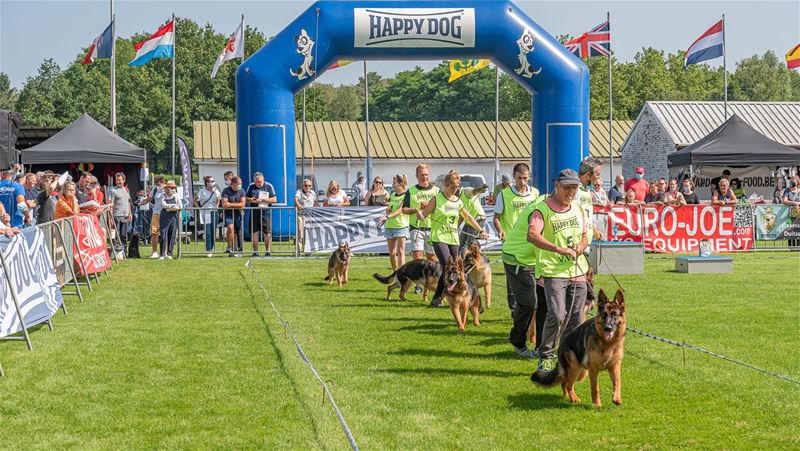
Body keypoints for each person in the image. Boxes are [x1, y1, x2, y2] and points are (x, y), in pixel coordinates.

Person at [527, 169, 589, 372]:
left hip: (577, 269)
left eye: (574, 188)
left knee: (577, 317)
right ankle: (545, 355)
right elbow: (532, 235)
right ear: (557, 185)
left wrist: (581, 245)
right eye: (567, 187)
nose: (571, 192)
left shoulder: (578, 208)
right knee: (557, 313)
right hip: (553, 269)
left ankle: (568, 355)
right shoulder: (541, 209)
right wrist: (557, 248)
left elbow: (584, 235)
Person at [415, 170, 488, 307]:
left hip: (453, 239)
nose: (455, 189)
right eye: (452, 187)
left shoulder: (458, 202)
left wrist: (481, 230)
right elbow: (424, 215)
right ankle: (445, 297)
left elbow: (468, 217)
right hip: (439, 237)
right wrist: (420, 214)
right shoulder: (437, 198)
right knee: (448, 268)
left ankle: (438, 299)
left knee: (454, 270)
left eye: (457, 187)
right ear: (446, 185)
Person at [502, 192, 548, 359]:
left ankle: (541, 348)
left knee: (546, 303)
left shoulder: (564, 205)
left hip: (535, 260)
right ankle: (517, 341)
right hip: (517, 258)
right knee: (529, 303)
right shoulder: (540, 208)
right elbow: (534, 236)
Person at [493, 163, 540, 311]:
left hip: (530, 242)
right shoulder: (504, 194)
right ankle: (514, 308)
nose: (522, 182)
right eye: (519, 178)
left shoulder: (535, 194)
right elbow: (496, 217)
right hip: (512, 243)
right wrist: (500, 230)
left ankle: (534, 306)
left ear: (529, 177)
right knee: (512, 276)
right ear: (514, 177)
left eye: (525, 178)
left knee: (533, 275)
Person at [402, 164, 439, 263]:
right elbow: (404, 209)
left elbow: (441, 208)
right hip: (416, 228)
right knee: (417, 257)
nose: (425, 177)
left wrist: (428, 205)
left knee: (432, 258)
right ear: (417, 176)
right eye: (422, 175)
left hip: (433, 228)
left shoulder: (437, 191)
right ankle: (418, 278)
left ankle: (431, 278)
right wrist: (415, 209)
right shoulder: (411, 191)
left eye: (426, 175)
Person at [382, 174, 410, 270]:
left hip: (401, 226)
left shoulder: (406, 195)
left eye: (394, 183)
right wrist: (388, 209)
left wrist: (387, 216)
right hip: (390, 226)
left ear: (400, 183)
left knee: (401, 251)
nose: (393, 185)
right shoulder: (393, 195)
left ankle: (401, 274)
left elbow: (400, 210)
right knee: (392, 253)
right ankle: (395, 273)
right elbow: (390, 208)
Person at [246, 172, 277, 257]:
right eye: (256, 182)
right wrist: (251, 199)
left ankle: (268, 251)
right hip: (254, 213)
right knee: (254, 233)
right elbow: (245, 198)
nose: (258, 184)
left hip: (265, 213)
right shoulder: (251, 186)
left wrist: (263, 200)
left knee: (267, 233)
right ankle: (255, 252)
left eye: (260, 182)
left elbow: (274, 199)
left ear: (263, 180)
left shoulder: (269, 186)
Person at [458, 182, 488, 255]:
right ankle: (462, 262)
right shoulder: (457, 198)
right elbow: (462, 215)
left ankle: (479, 260)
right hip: (469, 221)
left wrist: (481, 189)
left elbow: (474, 191)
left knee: (470, 244)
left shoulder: (466, 191)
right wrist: (455, 226)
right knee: (461, 242)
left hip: (478, 219)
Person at [108, 172, 133, 257]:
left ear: (124, 180)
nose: (118, 181)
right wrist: (110, 217)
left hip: (125, 216)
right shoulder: (112, 191)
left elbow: (128, 202)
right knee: (116, 235)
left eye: (120, 180)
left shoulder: (126, 189)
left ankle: (124, 253)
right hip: (117, 215)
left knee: (124, 235)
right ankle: (116, 253)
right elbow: (110, 204)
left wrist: (130, 213)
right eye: (117, 180)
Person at [156, 180, 181, 260]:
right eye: (171, 187)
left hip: (173, 216)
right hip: (164, 216)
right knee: (163, 235)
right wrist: (173, 207)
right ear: (167, 188)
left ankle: (169, 253)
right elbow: (164, 205)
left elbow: (180, 206)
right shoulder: (163, 196)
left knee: (172, 234)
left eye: (174, 187)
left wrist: (172, 208)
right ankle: (162, 254)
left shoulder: (176, 196)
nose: (173, 189)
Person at [197, 175, 221, 257]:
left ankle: (212, 247)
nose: (213, 182)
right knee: (207, 231)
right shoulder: (201, 191)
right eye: (211, 181)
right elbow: (195, 200)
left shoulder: (216, 191)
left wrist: (217, 207)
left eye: (213, 181)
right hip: (206, 212)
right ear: (207, 183)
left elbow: (218, 201)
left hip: (214, 212)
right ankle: (208, 250)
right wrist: (199, 208)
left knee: (213, 231)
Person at [222, 176, 246, 257]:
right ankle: (230, 247)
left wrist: (230, 204)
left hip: (238, 213)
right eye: (238, 184)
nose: (240, 185)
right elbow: (224, 204)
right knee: (230, 228)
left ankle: (238, 248)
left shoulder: (242, 191)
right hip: (228, 213)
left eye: (240, 184)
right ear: (233, 184)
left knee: (238, 231)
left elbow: (242, 204)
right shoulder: (226, 190)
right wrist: (236, 205)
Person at [143, 175, 166, 258]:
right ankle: (154, 252)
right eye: (156, 182)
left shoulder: (167, 189)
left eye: (159, 182)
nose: (157, 184)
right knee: (154, 232)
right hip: (155, 213)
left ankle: (164, 252)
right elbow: (149, 198)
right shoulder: (155, 189)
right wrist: (141, 203)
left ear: (162, 182)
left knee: (164, 233)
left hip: (165, 213)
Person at [294, 178, 317, 254]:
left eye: (309, 185)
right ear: (303, 185)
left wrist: (315, 208)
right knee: (300, 232)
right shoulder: (299, 191)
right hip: (300, 215)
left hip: (310, 216)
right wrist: (298, 205)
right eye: (306, 185)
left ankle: (308, 251)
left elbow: (315, 202)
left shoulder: (313, 193)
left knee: (309, 233)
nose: (307, 187)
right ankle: (299, 251)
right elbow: (296, 199)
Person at [782, 176, 800, 248]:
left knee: (798, 229)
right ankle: (791, 246)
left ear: (797, 182)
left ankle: (798, 246)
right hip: (789, 214)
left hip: (799, 214)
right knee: (790, 228)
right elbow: (785, 201)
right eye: (791, 180)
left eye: (793, 180)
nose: (791, 182)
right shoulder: (787, 190)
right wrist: (794, 203)